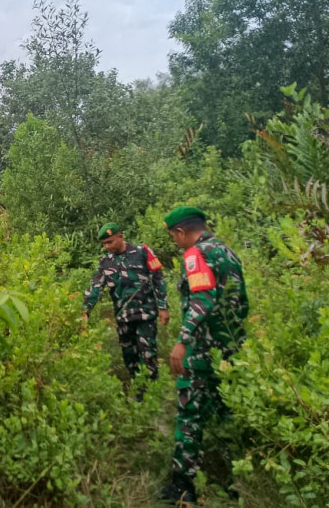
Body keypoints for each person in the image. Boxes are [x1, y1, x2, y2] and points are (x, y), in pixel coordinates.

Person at [159, 206, 249, 505]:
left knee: (190, 414)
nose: (175, 242)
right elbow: (239, 303)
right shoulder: (228, 253)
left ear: (181, 232)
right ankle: (236, 480)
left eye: (173, 236)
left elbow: (203, 297)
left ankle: (183, 487)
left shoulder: (196, 254)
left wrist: (183, 341)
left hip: (202, 350)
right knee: (226, 411)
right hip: (229, 350)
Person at [82, 222, 169, 383]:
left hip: (145, 316)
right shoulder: (105, 263)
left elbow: (158, 279)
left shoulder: (142, 252)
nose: (107, 246)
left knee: (148, 357)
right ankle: (137, 395)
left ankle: (151, 394)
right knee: (130, 360)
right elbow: (95, 288)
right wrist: (85, 311)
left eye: (110, 242)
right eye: (104, 244)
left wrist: (163, 307)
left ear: (120, 236)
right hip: (123, 319)